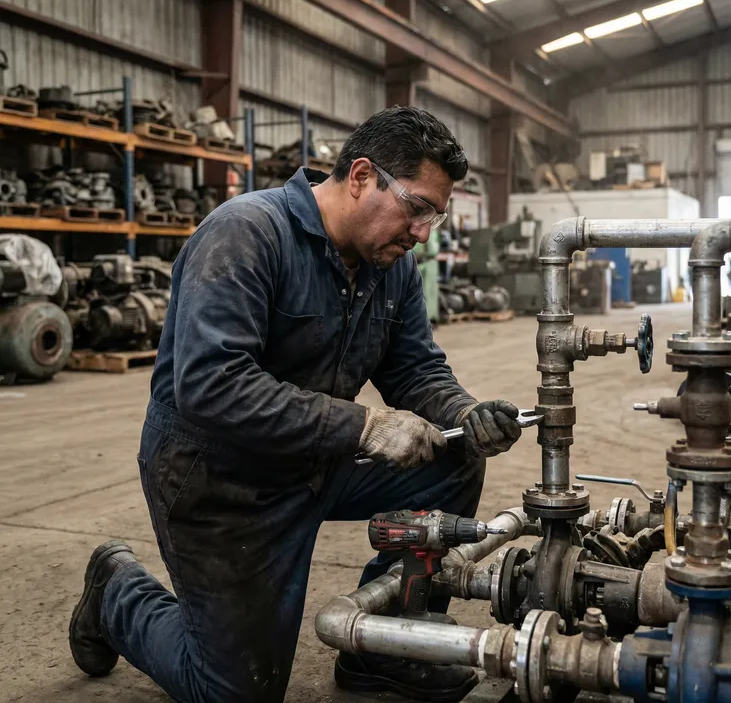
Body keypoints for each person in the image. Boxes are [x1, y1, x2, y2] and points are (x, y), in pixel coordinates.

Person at [69, 107, 522, 703]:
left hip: (315, 464)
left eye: (433, 216)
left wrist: (463, 414)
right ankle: (115, 593)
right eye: (416, 208)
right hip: (221, 479)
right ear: (362, 175)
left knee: (453, 458)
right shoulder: (247, 233)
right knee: (235, 692)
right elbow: (211, 385)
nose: (421, 233)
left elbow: (413, 368)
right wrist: (363, 426)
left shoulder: (392, 267)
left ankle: (380, 648)